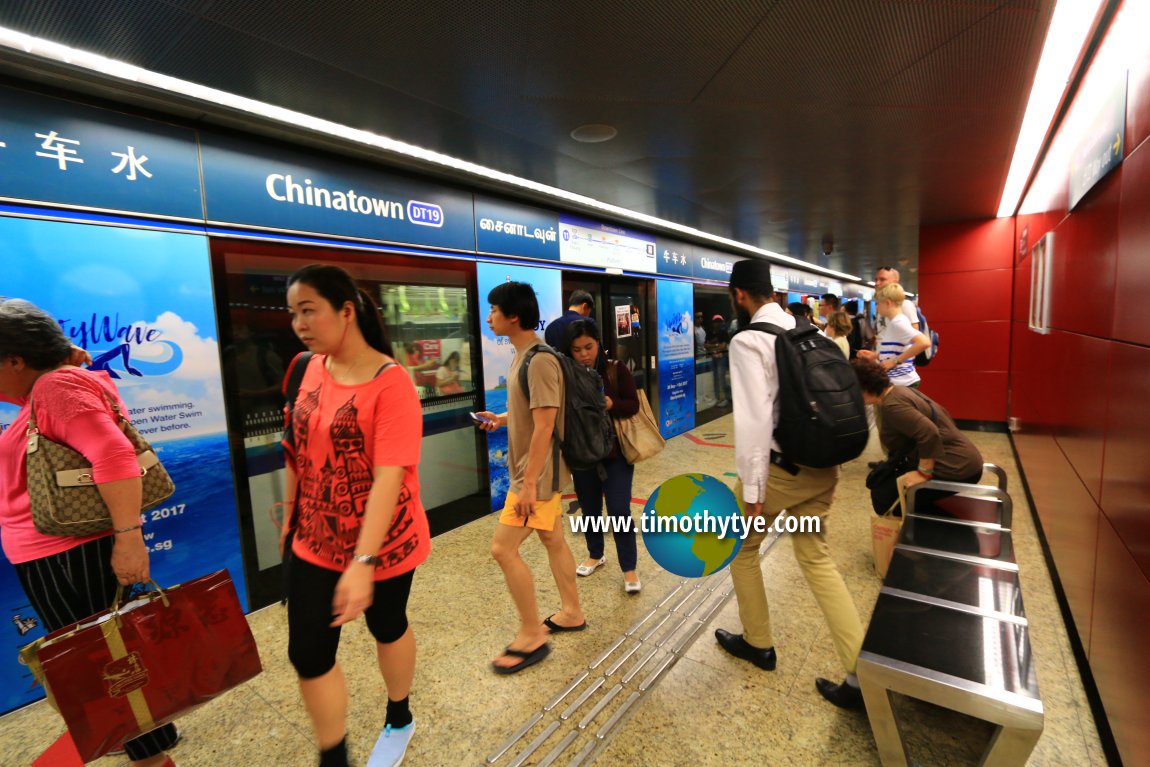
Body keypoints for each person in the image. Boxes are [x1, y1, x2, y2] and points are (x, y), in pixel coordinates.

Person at [0, 299, 180, 767]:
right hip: (60, 553)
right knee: (115, 660)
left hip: (67, 555)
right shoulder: (55, 385)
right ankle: (150, 740)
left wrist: (129, 538)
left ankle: (151, 757)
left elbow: (115, 456)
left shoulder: (56, 386)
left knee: (109, 670)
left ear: (16, 359)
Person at [282, 265, 430, 767]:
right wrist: (290, 518)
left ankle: (399, 714)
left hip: (386, 544)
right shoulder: (306, 367)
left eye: (309, 310)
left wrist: (363, 562)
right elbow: (295, 448)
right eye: (293, 313)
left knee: (386, 626)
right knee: (308, 652)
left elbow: (390, 477)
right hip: (313, 541)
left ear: (346, 311)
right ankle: (334, 755)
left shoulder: (392, 384)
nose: (299, 323)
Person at [715, 260, 866, 710]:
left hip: (780, 474)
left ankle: (758, 642)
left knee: (741, 550)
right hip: (822, 466)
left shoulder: (749, 340)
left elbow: (755, 420)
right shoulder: (810, 331)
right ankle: (862, 674)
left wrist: (754, 490)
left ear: (739, 295)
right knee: (817, 559)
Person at [474, 281, 587, 674]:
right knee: (553, 539)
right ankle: (571, 611)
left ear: (513, 316)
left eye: (493, 310)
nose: (489, 317)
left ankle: (531, 633)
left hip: (536, 477)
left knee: (503, 549)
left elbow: (545, 426)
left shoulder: (539, 359)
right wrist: (501, 419)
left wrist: (526, 484)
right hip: (537, 475)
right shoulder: (522, 356)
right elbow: (531, 412)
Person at [561, 320, 642, 593]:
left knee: (619, 509)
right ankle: (596, 554)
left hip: (615, 453)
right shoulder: (566, 376)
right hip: (583, 453)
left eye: (589, 347)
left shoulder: (615, 370)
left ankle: (629, 568)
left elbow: (633, 404)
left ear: (599, 344)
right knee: (590, 508)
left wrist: (611, 404)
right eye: (577, 349)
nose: (584, 354)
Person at [852, 358, 984, 511]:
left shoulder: (892, 406)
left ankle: (922, 531)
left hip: (956, 468)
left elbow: (929, 432)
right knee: (883, 487)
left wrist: (923, 473)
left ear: (864, 387)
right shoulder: (899, 391)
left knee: (884, 500)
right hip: (963, 462)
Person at [858, 283, 930, 389]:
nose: (877, 308)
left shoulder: (898, 322)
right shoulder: (896, 322)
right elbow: (898, 349)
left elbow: (924, 342)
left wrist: (895, 361)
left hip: (902, 384)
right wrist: (876, 356)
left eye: (878, 304)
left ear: (887, 303)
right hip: (900, 383)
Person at [873, 266, 919, 334]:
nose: (877, 283)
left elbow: (915, 334)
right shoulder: (881, 305)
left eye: (882, 279)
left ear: (895, 282)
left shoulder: (904, 304)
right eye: (876, 280)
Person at [706, 314, 730, 407]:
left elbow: (723, 346)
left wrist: (712, 346)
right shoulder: (710, 333)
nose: (718, 323)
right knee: (715, 379)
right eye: (716, 321)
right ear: (713, 322)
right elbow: (705, 346)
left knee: (721, 379)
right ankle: (717, 398)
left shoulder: (724, 332)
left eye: (719, 321)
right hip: (713, 358)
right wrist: (716, 345)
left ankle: (726, 398)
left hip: (721, 358)